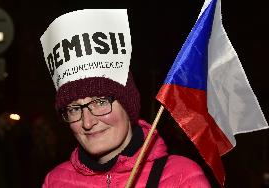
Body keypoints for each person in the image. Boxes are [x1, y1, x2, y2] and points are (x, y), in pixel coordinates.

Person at [41, 9, 210, 187]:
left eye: (100, 102)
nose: (88, 123)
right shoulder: (55, 181)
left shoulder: (182, 178)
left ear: (127, 105)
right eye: (74, 109)